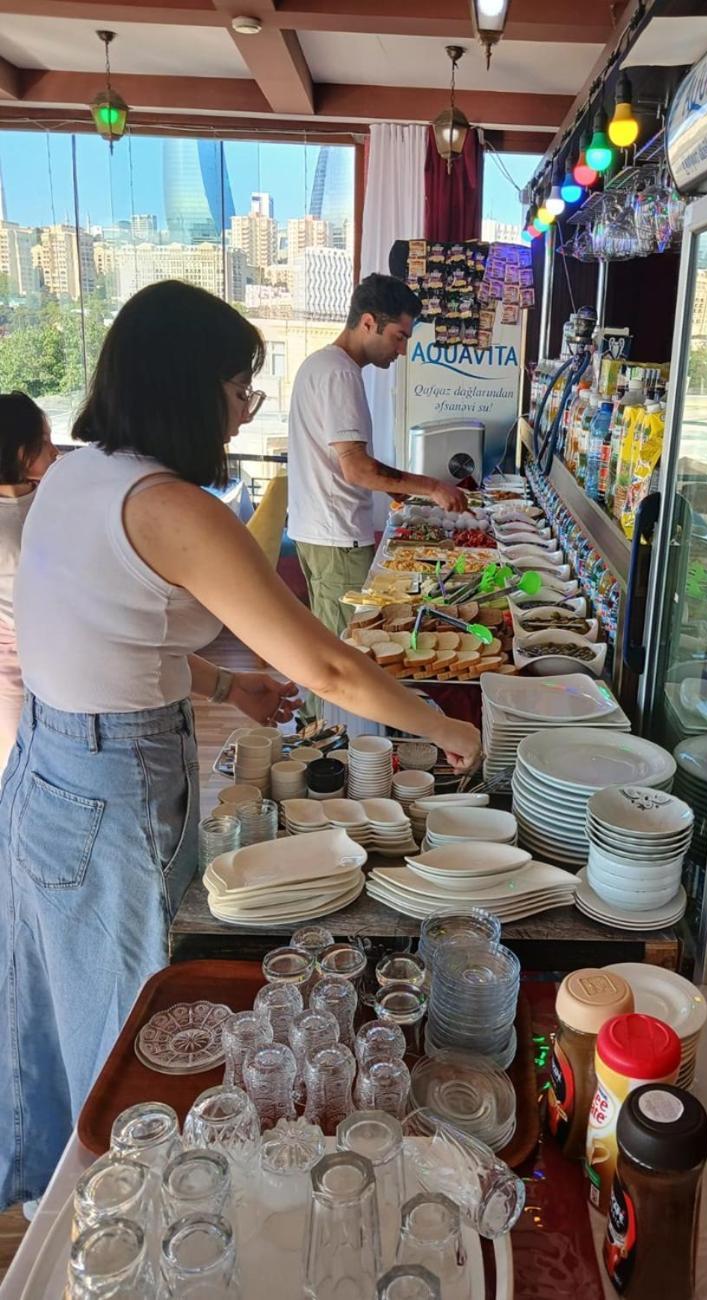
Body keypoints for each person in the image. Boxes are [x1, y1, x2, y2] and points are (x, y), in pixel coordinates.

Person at [0, 279, 481, 1209]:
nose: (240, 414)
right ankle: (125, 1213)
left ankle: (48, 1194)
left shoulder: (77, 476)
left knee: (47, 1009)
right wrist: (444, 723)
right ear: (188, 387)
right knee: (132, 1025)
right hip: (110, 785)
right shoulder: (169, 505)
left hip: (48, 768)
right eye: (236, 392)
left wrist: (233, 686)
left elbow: (132, 636)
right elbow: (331, 670)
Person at [288, 273, 468, 637]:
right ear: (368, 323)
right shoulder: (340, 373)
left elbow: (341, 460)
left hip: (318, 532)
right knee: (347, 653)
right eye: (398, 337)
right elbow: (356, 468)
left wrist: (392, 487)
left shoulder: (321, 364)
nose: (402, 351)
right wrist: (432, 487)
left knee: (330, 644)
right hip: (336, 536)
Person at [0, 393, 57, 768]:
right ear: (19, 453)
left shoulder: (55, 496)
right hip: (10, 664)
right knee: (15, 763)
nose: (55, 452)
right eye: (44, 442)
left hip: (61, 653)